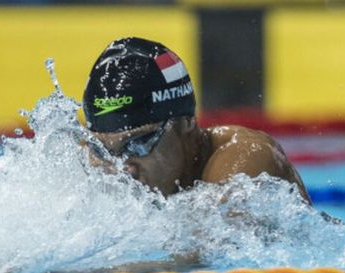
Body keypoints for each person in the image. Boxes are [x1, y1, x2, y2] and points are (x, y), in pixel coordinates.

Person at [82, 37, 310, 203]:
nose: (123, 169)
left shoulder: (246, 158)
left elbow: (203, 256)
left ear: (187, 122)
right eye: (104, 150)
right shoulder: (93, 163)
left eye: (138, 144)